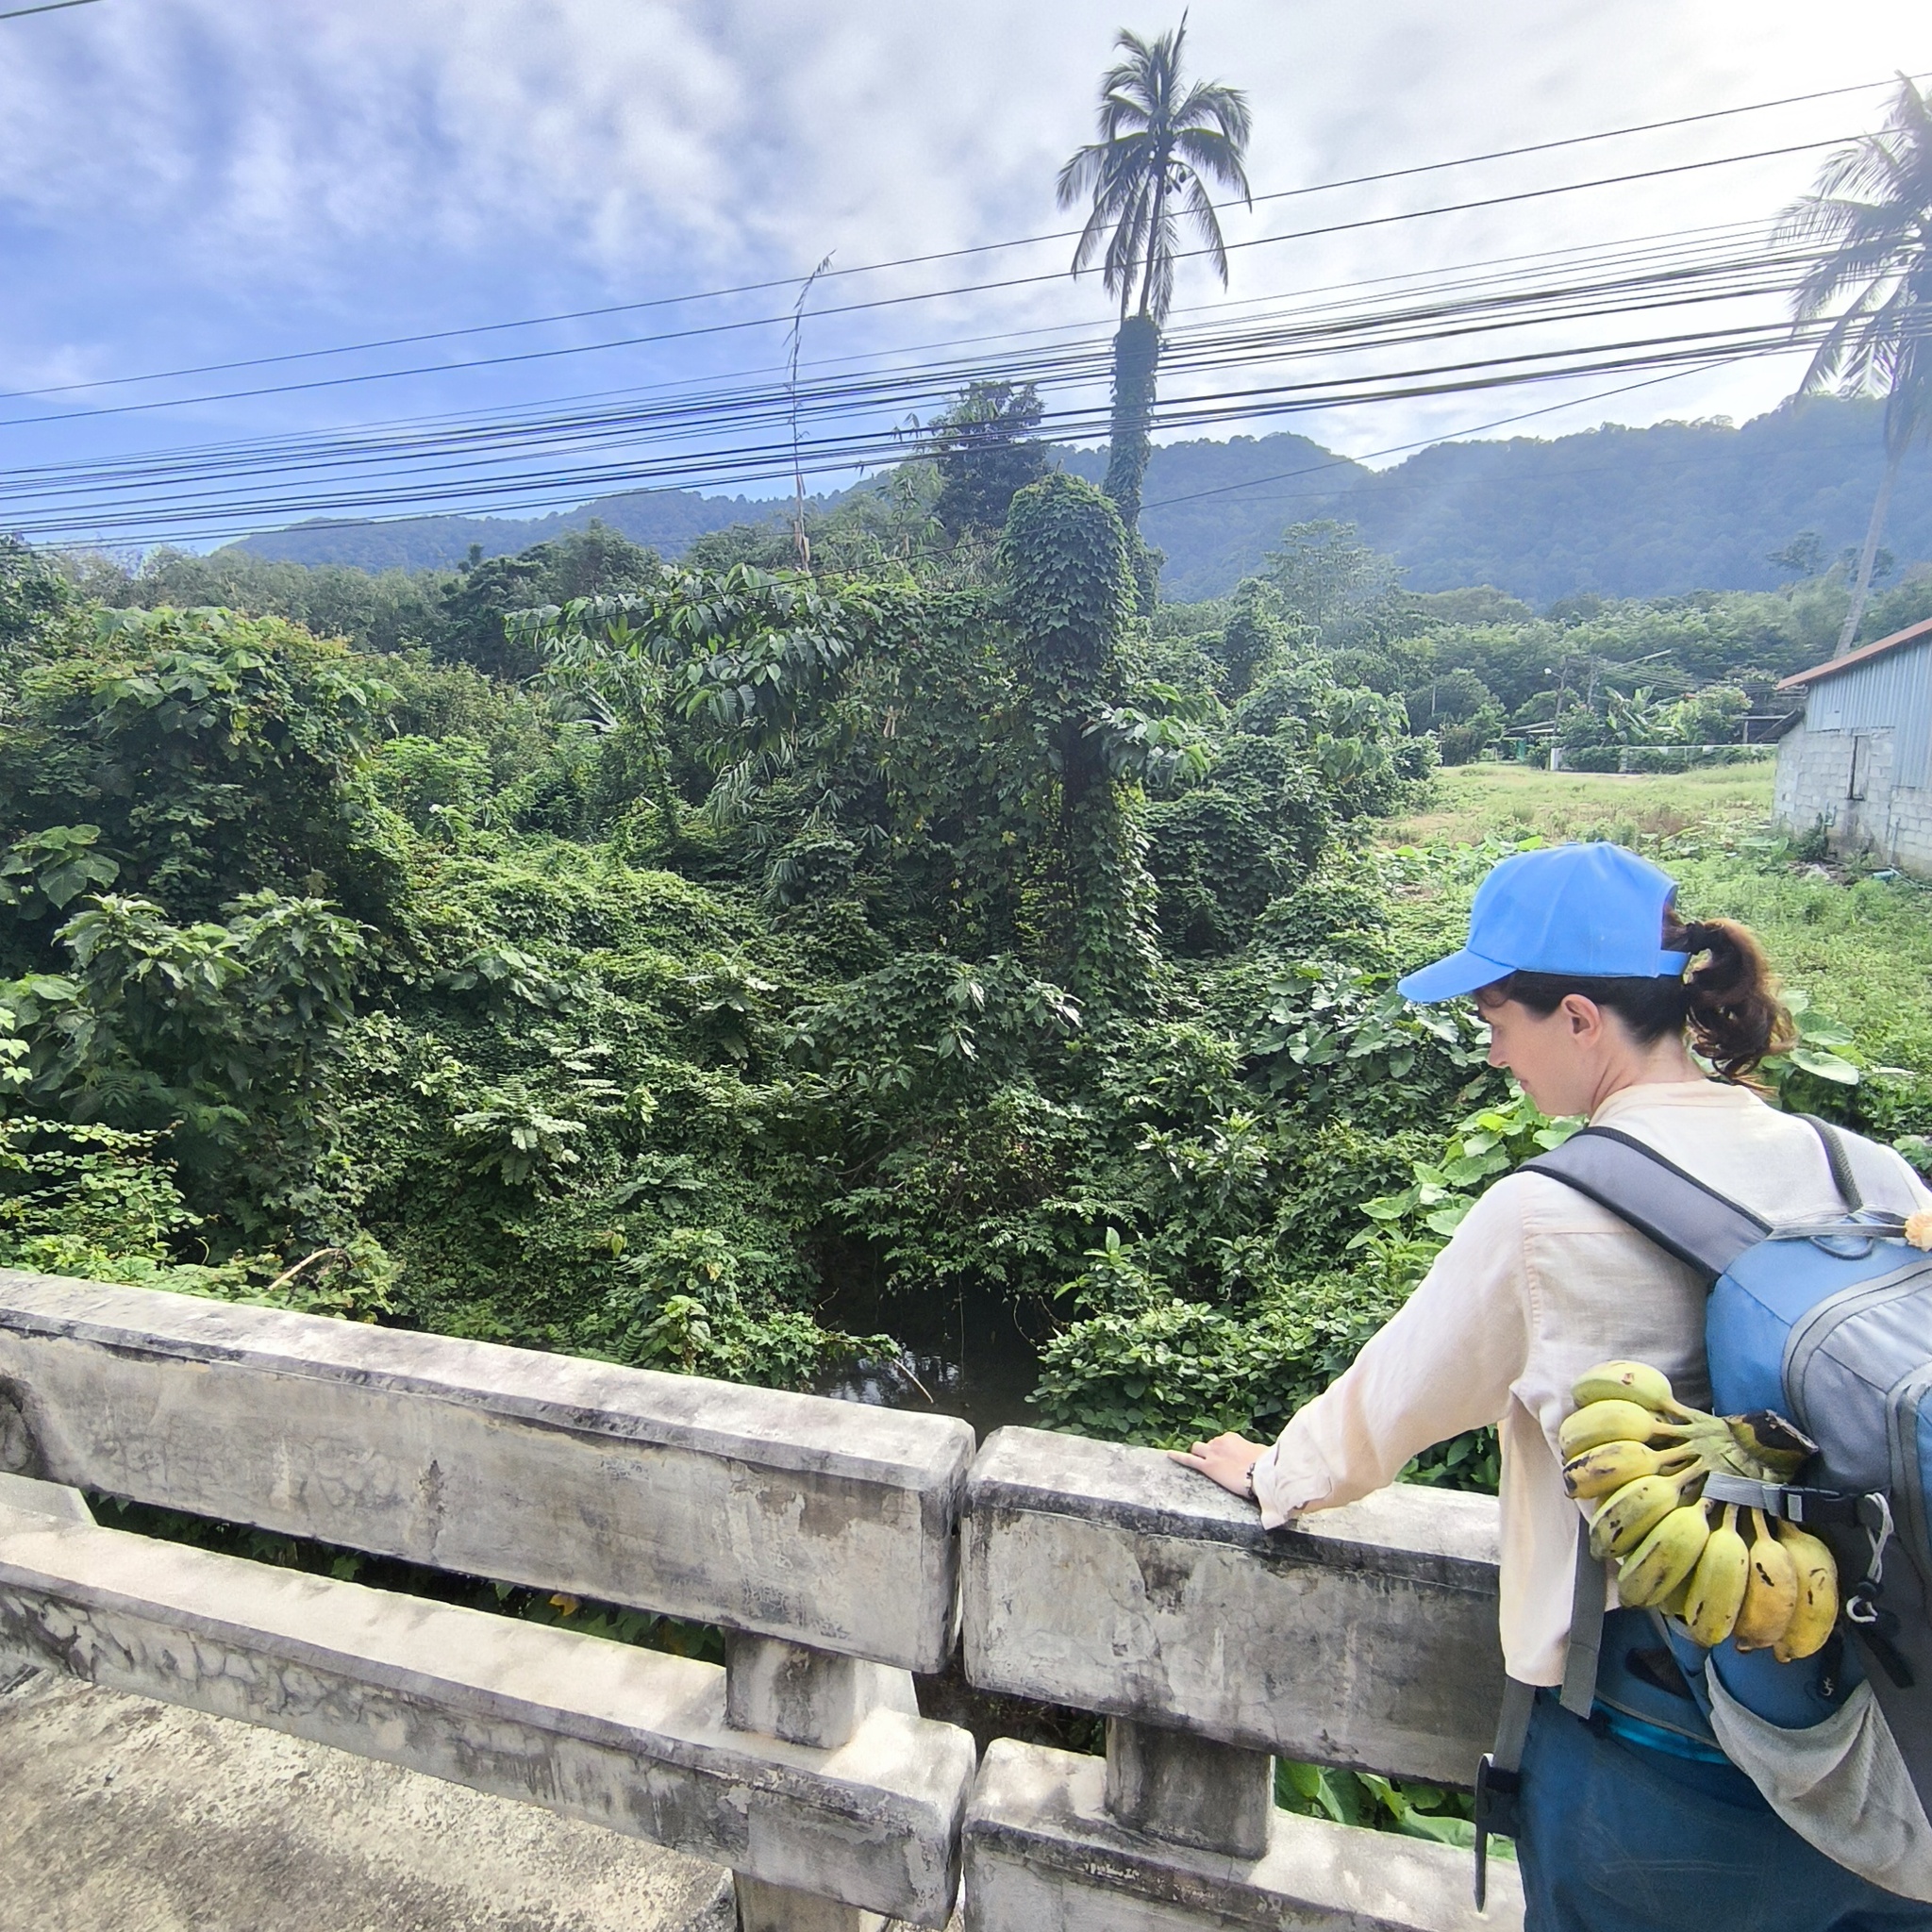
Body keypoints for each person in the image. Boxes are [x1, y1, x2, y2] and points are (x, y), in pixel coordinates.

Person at [1172, 841, 1932, 1931]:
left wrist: (1271, 1472)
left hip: (1663, 1750)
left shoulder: (1544, 1212)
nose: (1492, 1057)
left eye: (1495, 1022)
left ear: (1576, 1016)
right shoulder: (1861, 1166)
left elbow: (1383, 1409)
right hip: (1890, 1736)